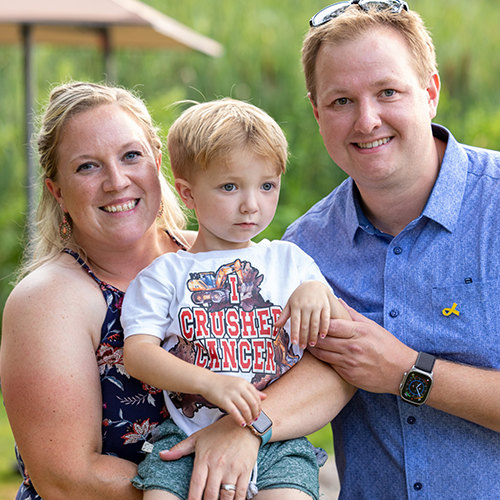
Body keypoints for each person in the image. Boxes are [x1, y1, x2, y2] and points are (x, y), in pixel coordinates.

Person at [0, 82, 354, 500]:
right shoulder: (48, 299)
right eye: (87, 167)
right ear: (57, 190)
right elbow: (67, 478)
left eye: (131, 156)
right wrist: (216, 480)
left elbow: (343, 360)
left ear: (158, 162)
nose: (116, 181)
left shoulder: (225, 255)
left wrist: (244, 434)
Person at [282, 1, 500, 498]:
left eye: (387, 92)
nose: (366, 120)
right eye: (341, 101)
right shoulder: (304, 251)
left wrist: (407, 372)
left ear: (430, 93)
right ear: (317, 115)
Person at [121, 98, 351, 500]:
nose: (251, 204)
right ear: (188, 194)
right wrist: (208, 383)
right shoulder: (165, 275)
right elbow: (139, 354)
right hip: (187, 432)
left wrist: (316, 292)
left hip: (279, 436)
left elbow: (336, 327)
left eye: (267, 186)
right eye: (230, 187)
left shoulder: (289, 261)